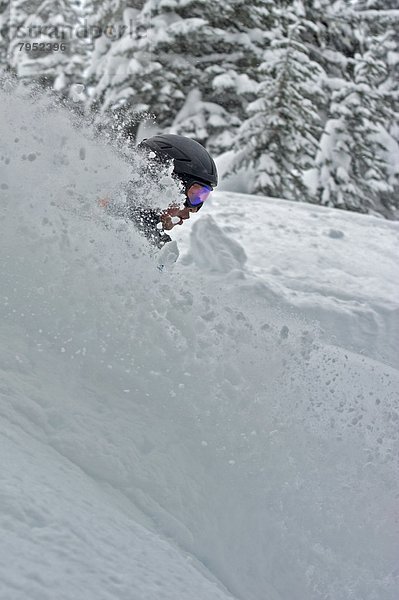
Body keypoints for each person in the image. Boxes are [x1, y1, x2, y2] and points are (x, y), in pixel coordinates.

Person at [128, 134, 218, 248]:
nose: (192, 211)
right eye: (194, 195)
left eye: (202, 196)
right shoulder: (124, 232)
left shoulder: (141, 236)